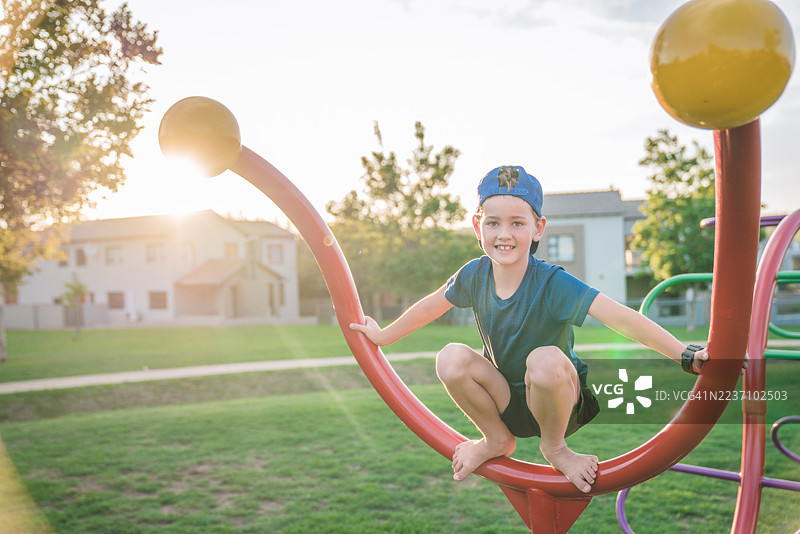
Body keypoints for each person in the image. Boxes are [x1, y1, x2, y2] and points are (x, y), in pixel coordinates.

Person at [350, 165, 747, 494]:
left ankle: (555, 448)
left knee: (542, 359)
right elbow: (430, 306)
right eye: (493, 223)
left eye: (517, 223)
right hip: (507, 401)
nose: (504, 234)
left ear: (538, 228)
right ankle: (495, 439)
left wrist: (683, 352)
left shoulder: (552, 282)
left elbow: (621, 317)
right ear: (477, 227)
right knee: (450, 356)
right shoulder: (474, 275)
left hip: (559, 399)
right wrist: (383, 335)